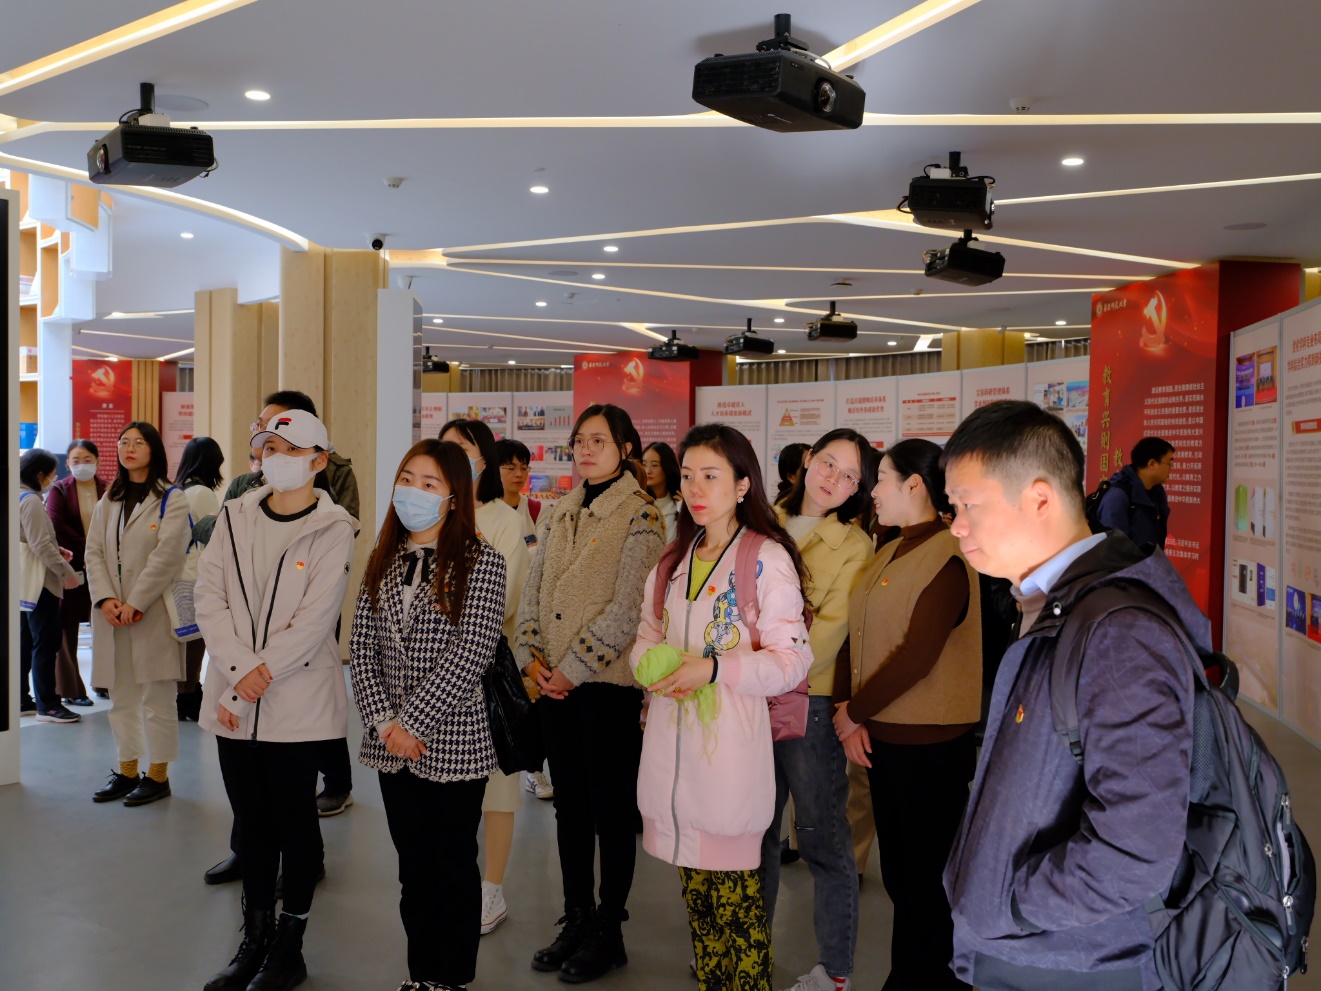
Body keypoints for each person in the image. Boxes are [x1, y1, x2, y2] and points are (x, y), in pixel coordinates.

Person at [940, 401, 1196, 991]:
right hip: (1033, 949)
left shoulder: (1119, 633)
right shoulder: (1052, 605)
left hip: (1073, 962)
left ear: (1038, 499)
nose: (956, 525)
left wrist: (1010, 904)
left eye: (968, 505)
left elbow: (1137, 848)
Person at [631, 423, 813, 991]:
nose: (695, 488)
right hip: (674, 754)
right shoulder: (674, 559)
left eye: (710, 475)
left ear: (742, 484)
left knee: (738, 914)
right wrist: (653, 667)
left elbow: (791, 661)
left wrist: (713, 669)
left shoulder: (765, 559)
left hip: (729, 758)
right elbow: (645, 635)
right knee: (702, 915)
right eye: (687, 476)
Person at [196, 409, 358, 991]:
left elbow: (313, 623)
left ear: (319, 460)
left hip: (296, 704)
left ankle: (290, 947)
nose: (275, 458)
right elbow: (209, 595)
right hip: (232, 698)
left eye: (290, 448)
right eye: (267, 446)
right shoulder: (235, 513)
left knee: (295, 825)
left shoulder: (334, 526)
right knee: (251, 824)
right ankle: (255, 938)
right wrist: (240, 673)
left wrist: (251, 681)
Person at [513, 403, 665, 983]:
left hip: (604, 687)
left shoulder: (641, 515)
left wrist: (572, 669)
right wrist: (532, 657)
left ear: (625, 449)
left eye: (599, 441)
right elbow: (532, 591)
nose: (585, 449)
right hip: (552, 686)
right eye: (580, 440)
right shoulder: (560, 509)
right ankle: (575, 917)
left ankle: (609, 929)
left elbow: (629, 609)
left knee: (610, 811)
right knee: (569, 808)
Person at [350, 438, 507, 991]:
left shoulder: (482, 562)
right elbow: (361, 648)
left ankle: (452, 979)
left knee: (452, 868)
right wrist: (385, 724)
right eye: (407, 479)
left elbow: (472, 654)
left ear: (453, 498)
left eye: (429, 483)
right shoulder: (384, 556)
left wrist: (412, 724)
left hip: (453, 741)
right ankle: (422, 976)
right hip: (391, 745)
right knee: (413, 870)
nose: (413, 491)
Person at [834, 438, 982, 991]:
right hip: (885, 740)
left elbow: (917, 656)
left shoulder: (948, 556)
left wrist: (854, 712)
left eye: (881, 479)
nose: (872, 491)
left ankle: (931, 981)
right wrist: (848, 710)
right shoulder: (889, 549)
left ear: (914, 485)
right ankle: (912, 978)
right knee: (900, 877)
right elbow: (855, 632)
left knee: (927, 883)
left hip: (931, 749)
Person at [762, 429, 877, 991]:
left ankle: (835, 970)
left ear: (858, 489)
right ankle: (747, 947)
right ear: (807, 460)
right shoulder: (763, 521)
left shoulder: (854, 546)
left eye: (849, 475)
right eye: (828, 463)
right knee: (755, 832)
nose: (834, 478)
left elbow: (828, 632)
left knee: (822, 838)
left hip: (809, 699)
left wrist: (759, 670)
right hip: (745, 697)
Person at [440, 417, 532, 937]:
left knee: (496, 791)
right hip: (428, 676)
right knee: (443, 789)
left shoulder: (503, 520)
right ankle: (452, 881)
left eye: (463, 448)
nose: (451, 456)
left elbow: (504, 602)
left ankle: (490, 889)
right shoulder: (433, 511)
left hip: (486, 673)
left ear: (484, 460)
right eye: (445, 447)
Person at [85, 422, 191, 806]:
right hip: (113, 615)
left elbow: (168, 556)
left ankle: (158, 776)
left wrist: (136, 602)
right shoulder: (108, 499)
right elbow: (94, 552)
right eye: (124, 442)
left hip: (152, 613)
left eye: (139, 442)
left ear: (153, 450)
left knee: (158, 699)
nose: (129, 448)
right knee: (122, 699)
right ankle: (127, 771)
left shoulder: (172, 498)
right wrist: (106, 599)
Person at [18, 449, 84, 723]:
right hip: (41, 583)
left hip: (22, 583)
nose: (53, 479)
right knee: (46, 643)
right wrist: (66, 572)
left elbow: (27, 538)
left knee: (25, 642)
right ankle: (48, 705)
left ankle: (21, 700)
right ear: (39, 475)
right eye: (52, 474)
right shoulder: (31, 500)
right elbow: (40, 544)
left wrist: (56, 550)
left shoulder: (15, 495)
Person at [45, 439, 106, 707]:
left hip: (104, 567)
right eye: (76, 460)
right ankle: (70, 688)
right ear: (68, 464)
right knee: (66, 626)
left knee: (105, 624)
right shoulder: (59, 490)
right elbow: (57, 526)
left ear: (97, 461)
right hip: (71, 566)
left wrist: (100, 554)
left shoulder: (109, 489)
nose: (82, 465)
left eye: (87, 459)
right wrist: (91, 550)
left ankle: (104, 682)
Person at [173, 436, 225, 722]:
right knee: (196, 637)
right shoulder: (203, 493)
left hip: (178, 573)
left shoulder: (178, 490)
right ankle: (188, 695)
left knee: (185, 636)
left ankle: (185, 693)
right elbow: (212, 535)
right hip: (196, 573)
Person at [1097, 436, 1174, 549]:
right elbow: (1113, 548)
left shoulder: (1156, 493)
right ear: (1152, 464)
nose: (1171, 468)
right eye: (1169, 463)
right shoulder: (1119, 496)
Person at [494, 438, 542, 548]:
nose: (519, 474)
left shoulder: (538, 511)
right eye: (511, 468)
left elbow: (542, 551)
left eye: (524, 468)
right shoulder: (480, 511)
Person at [641, 441, 682, 542]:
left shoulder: (679, 504)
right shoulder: (636, 500)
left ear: (667, 467)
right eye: (644, 464)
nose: (648, 471)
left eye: (654, 465)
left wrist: (684, 511)